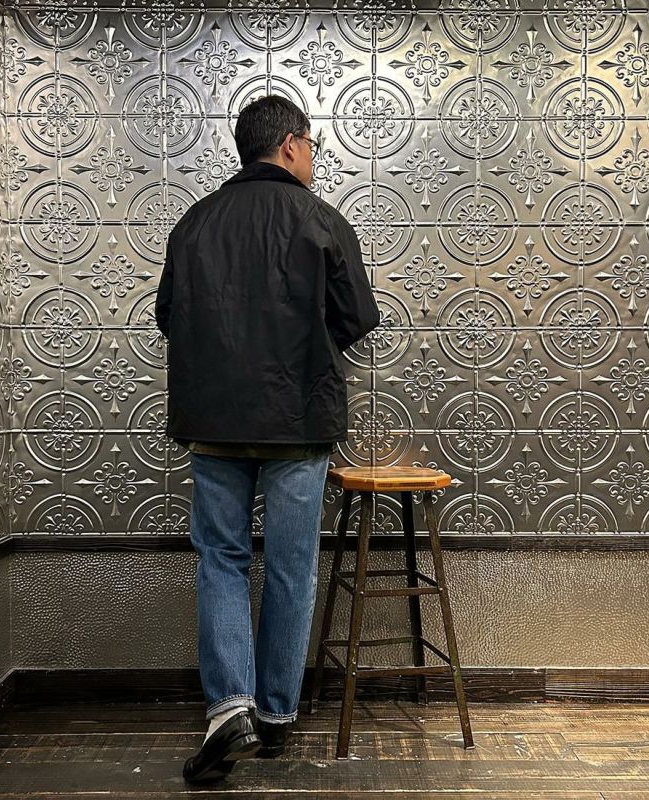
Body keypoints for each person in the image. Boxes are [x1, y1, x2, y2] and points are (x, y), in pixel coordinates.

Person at [154, 95, 380, 785]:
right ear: (289, 145)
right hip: (298, 423)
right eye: (312, 145)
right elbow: (357, 319)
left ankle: (231, 708)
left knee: (220, 561)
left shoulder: (193, 223)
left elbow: (168, 317)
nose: (313, 157)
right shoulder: (322, 220)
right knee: (290, 566)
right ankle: (277, 715)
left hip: (215, 423)